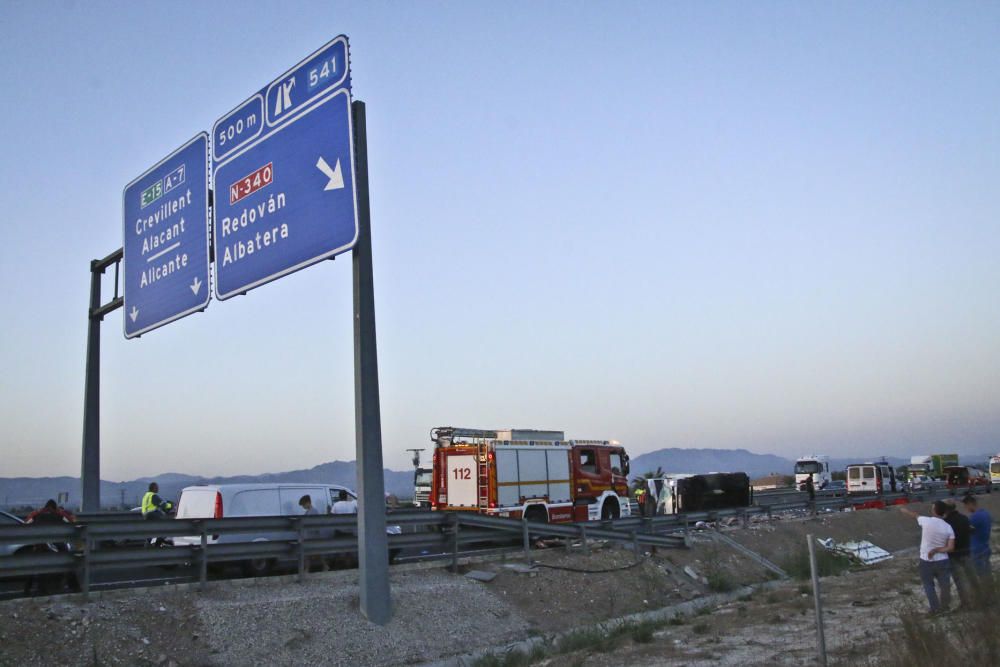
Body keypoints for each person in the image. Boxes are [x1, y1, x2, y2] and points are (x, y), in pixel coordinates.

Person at [900, 500, 955, 615]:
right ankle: (945, 607)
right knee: (945, 585)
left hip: (926, 560)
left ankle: (934, 608)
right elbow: (950, 548)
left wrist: (905, 511)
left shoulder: (927, 521)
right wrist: (937, 550)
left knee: (929, 586)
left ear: (934, 510)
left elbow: (915, 515)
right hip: (943, 560)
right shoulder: (948, 527)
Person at [941, 499, 974, 608]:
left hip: (953, 554)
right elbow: (971, 531)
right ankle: (980, 597)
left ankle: (966, 603)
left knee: (959, 580)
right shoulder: (964, 518)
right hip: (966, 551)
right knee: (971, 576)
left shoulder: (945, 523)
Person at [962, 494, 992, 578]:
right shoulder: (986, 513)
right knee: (987, 573)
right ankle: (991, 589)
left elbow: (966, 530)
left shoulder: (975, 517)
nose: (966, 508)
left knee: (981, 575)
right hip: (985, 546)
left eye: (965, 506)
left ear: (970, 504)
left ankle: (986, 590)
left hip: (977, 550)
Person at [141, 482, 173, 547]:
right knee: (165, 529)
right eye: (157, 487)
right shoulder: (153, 496)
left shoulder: (145, 496)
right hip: (152, 515)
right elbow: (163, 505)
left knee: (152, 534)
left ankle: (149, 545)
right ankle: (157, 544)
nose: (158, 489)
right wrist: (171, 505)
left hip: (145, 517)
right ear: (154, 488)